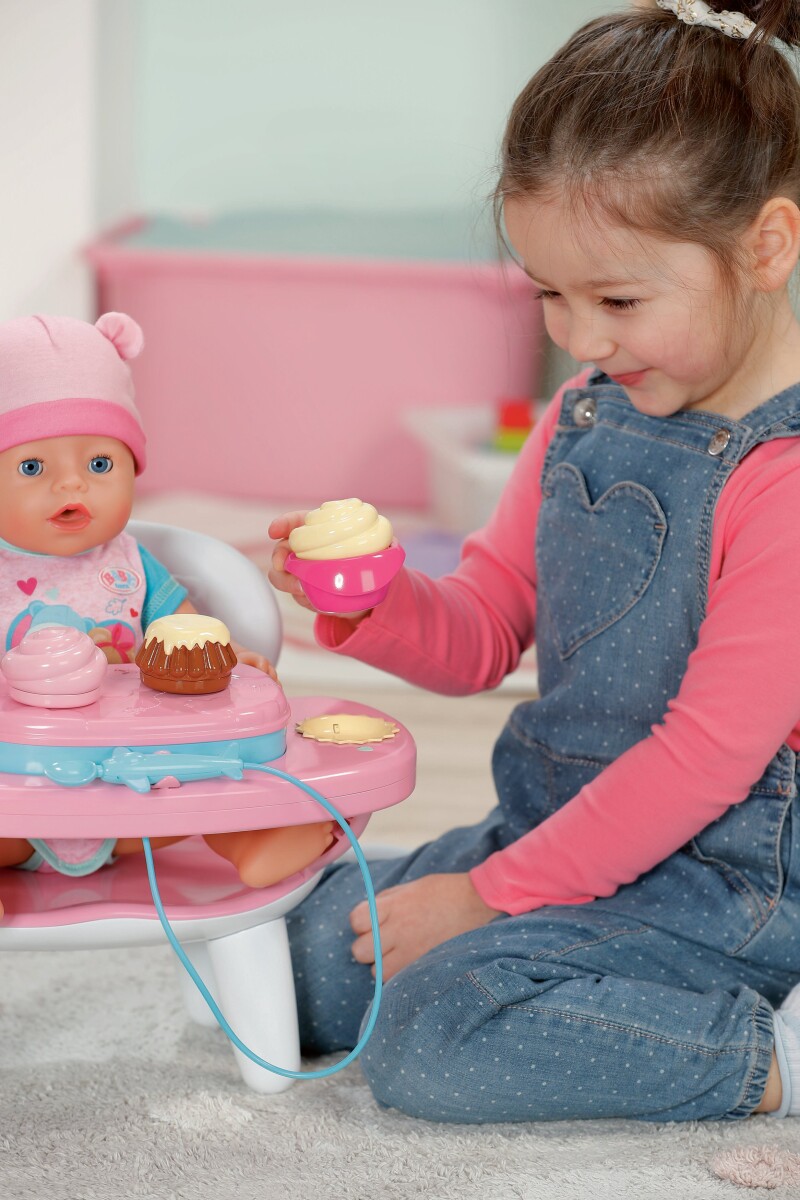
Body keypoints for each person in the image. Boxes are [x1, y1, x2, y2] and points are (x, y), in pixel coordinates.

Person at [268, 0, 800, 1123]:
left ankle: (771, 1055)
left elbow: (703, 765)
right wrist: (371, 605)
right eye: (548, 293)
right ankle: (535, 948)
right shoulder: (582, 416)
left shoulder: (784, 482)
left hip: (725, 885)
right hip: (559, 830)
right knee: (304, 952)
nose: (579, 337)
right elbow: (483, 627)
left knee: (431, 1033)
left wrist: (484, 900)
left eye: (615, 299)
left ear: (764, 245)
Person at [0, 312, 334, 890]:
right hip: (18, 797)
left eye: (100, 463)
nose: (72, 486)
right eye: (33, 467)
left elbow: (180, 631)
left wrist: (221, 659)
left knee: (217, 788)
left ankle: (253, 839)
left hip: (140, 792)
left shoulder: (129, 565)